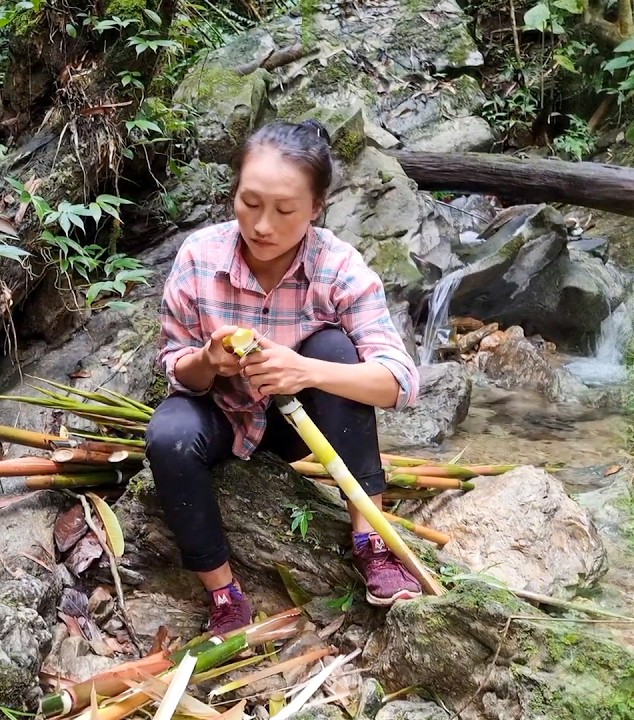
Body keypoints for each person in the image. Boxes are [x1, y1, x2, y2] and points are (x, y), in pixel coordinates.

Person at [145, 119, 424, 636]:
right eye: (249, 203)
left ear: (316, 209)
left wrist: (304, 370)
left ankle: (372, 544)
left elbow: (400, 381)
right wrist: (208, 360)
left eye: (285, 210)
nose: (262, 225)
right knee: (168, 435)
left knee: (337, 349)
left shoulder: (338, 267)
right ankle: (224, 595)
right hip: (221, 416)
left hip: (297, 428)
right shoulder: (199, 258)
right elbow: (174, 365)